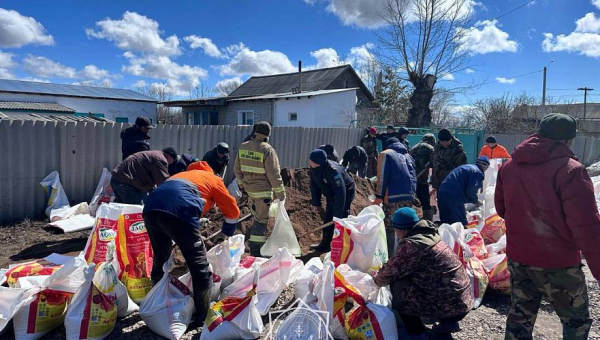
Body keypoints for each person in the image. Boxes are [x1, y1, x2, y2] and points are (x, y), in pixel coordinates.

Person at [495, 113, 599, 340]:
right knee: (576, 321)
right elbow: (587, 228)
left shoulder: (509, 167)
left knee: (520, 317)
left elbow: (503, 210)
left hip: (519, 259)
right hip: (559, 264)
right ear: (569, 140)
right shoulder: (571, 170)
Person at [143, 161, 240, 326]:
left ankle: (155, 303)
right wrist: (225, 233)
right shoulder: (213, 178)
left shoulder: (181, 176)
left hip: (150, 209)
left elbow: (174, 196)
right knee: (200, 268)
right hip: (179, 210)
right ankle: (202, 316)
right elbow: (232, 210)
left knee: (161, 258)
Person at [374, 208, 473, 339]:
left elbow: (385, 277)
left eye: (396, 230)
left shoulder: (412, 245)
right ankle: (447, 324)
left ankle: (415, 332)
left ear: (402, 230)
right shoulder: (431, 235)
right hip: (462, 300)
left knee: (398, 283)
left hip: (449, 305)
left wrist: (373, 278)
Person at [234, 121, 285, 256]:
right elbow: (274, 174)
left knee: (258, 211)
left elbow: (237, 169)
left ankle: (255, 211)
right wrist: (281, 195)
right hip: (263, 192)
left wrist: (242, 185)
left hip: (250, 190)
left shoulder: (243, 146)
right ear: (267, 134)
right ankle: (256, 250)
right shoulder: (267, 150)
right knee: (261, 220)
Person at [373, 137, 419, 254]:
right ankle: (406, 254)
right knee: (406, 226)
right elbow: (413, 177)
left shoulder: (386, 154)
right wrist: (413, 195)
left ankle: (390, 256)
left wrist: (379, 196)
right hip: (408, 196)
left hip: (392, 196)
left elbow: (382, 176)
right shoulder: (408, 156)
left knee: (390, 226)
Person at [308, 149, 356, 252]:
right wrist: (316, 203)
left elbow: (341, 195)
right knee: (328, 217)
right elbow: (314, 186)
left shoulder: (333, 172)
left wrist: (337, 216)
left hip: (346, 191)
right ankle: (325, 244)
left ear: (317, 162)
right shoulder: (314, 169)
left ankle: (340, 245)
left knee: (340, 218)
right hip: (331, 192)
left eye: (311, 160)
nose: (309, 161)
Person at [437, 156, 489, 226]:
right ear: (485, 166)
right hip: (454, 195)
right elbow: (471, 190)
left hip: (442, 191)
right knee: (460, 223)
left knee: (445, 222)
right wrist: (475, 201)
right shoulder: (478, 172)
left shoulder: (466, 167)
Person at [110, 149, 175, 204]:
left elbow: (146, 174)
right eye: (171, 162)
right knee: (136, 211)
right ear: (169, 156)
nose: (170, 164)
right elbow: (163, 181)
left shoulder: (153, 154)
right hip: (127, 183)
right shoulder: (161, 159)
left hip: (116, 179)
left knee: (122, 210)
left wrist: (152, 190)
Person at [410, 134, 436, 221]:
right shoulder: (431, 149)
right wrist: (434, 183)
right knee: (425, 203)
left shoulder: (413, 148)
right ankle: (427, 222)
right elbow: (436, 165)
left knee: (413, 202)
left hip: (412, 180)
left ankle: (413, 220)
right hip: (422, 180)